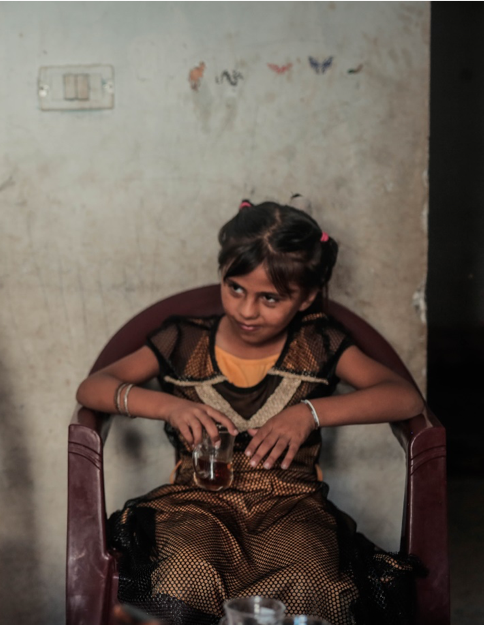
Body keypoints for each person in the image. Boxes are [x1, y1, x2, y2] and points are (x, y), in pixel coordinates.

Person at [75, 200, 425, 625]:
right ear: (222, 272)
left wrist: (310, 413)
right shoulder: (182, 340)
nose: (246, 310)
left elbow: (404, 398)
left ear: (307, 297)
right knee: (186, 571)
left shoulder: (318, 342)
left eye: (270, 298)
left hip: (292, 505)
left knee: (312, 580)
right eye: (235, 288)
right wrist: (168, 405)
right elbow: (93, 387)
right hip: (195, 504)